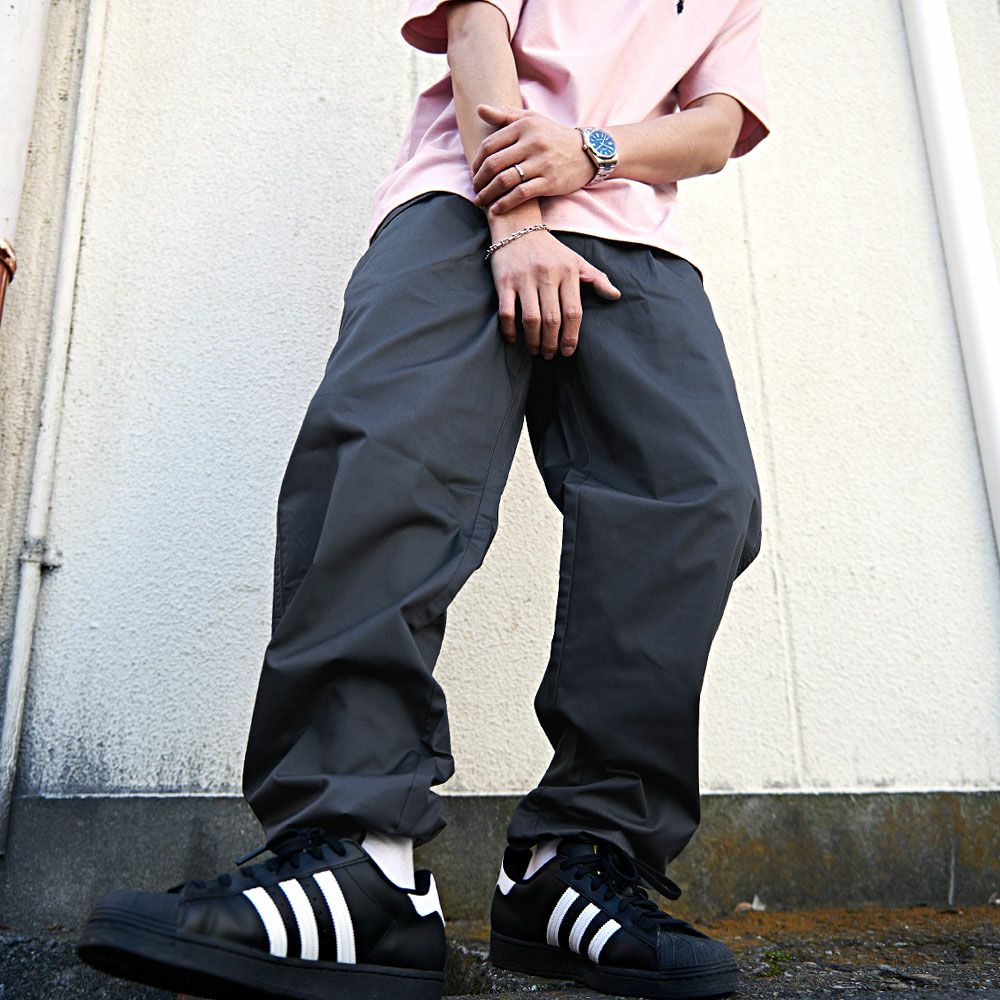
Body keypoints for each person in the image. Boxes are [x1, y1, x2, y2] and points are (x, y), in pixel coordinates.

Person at [76, 1, 771, 997]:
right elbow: (475, 32)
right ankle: (360, 859)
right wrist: (517, 220)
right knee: (388, 462)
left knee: (697, 500)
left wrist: (591, 152)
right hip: (464, 198)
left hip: (632, 234)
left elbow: (713, 127)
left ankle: (575, 862)